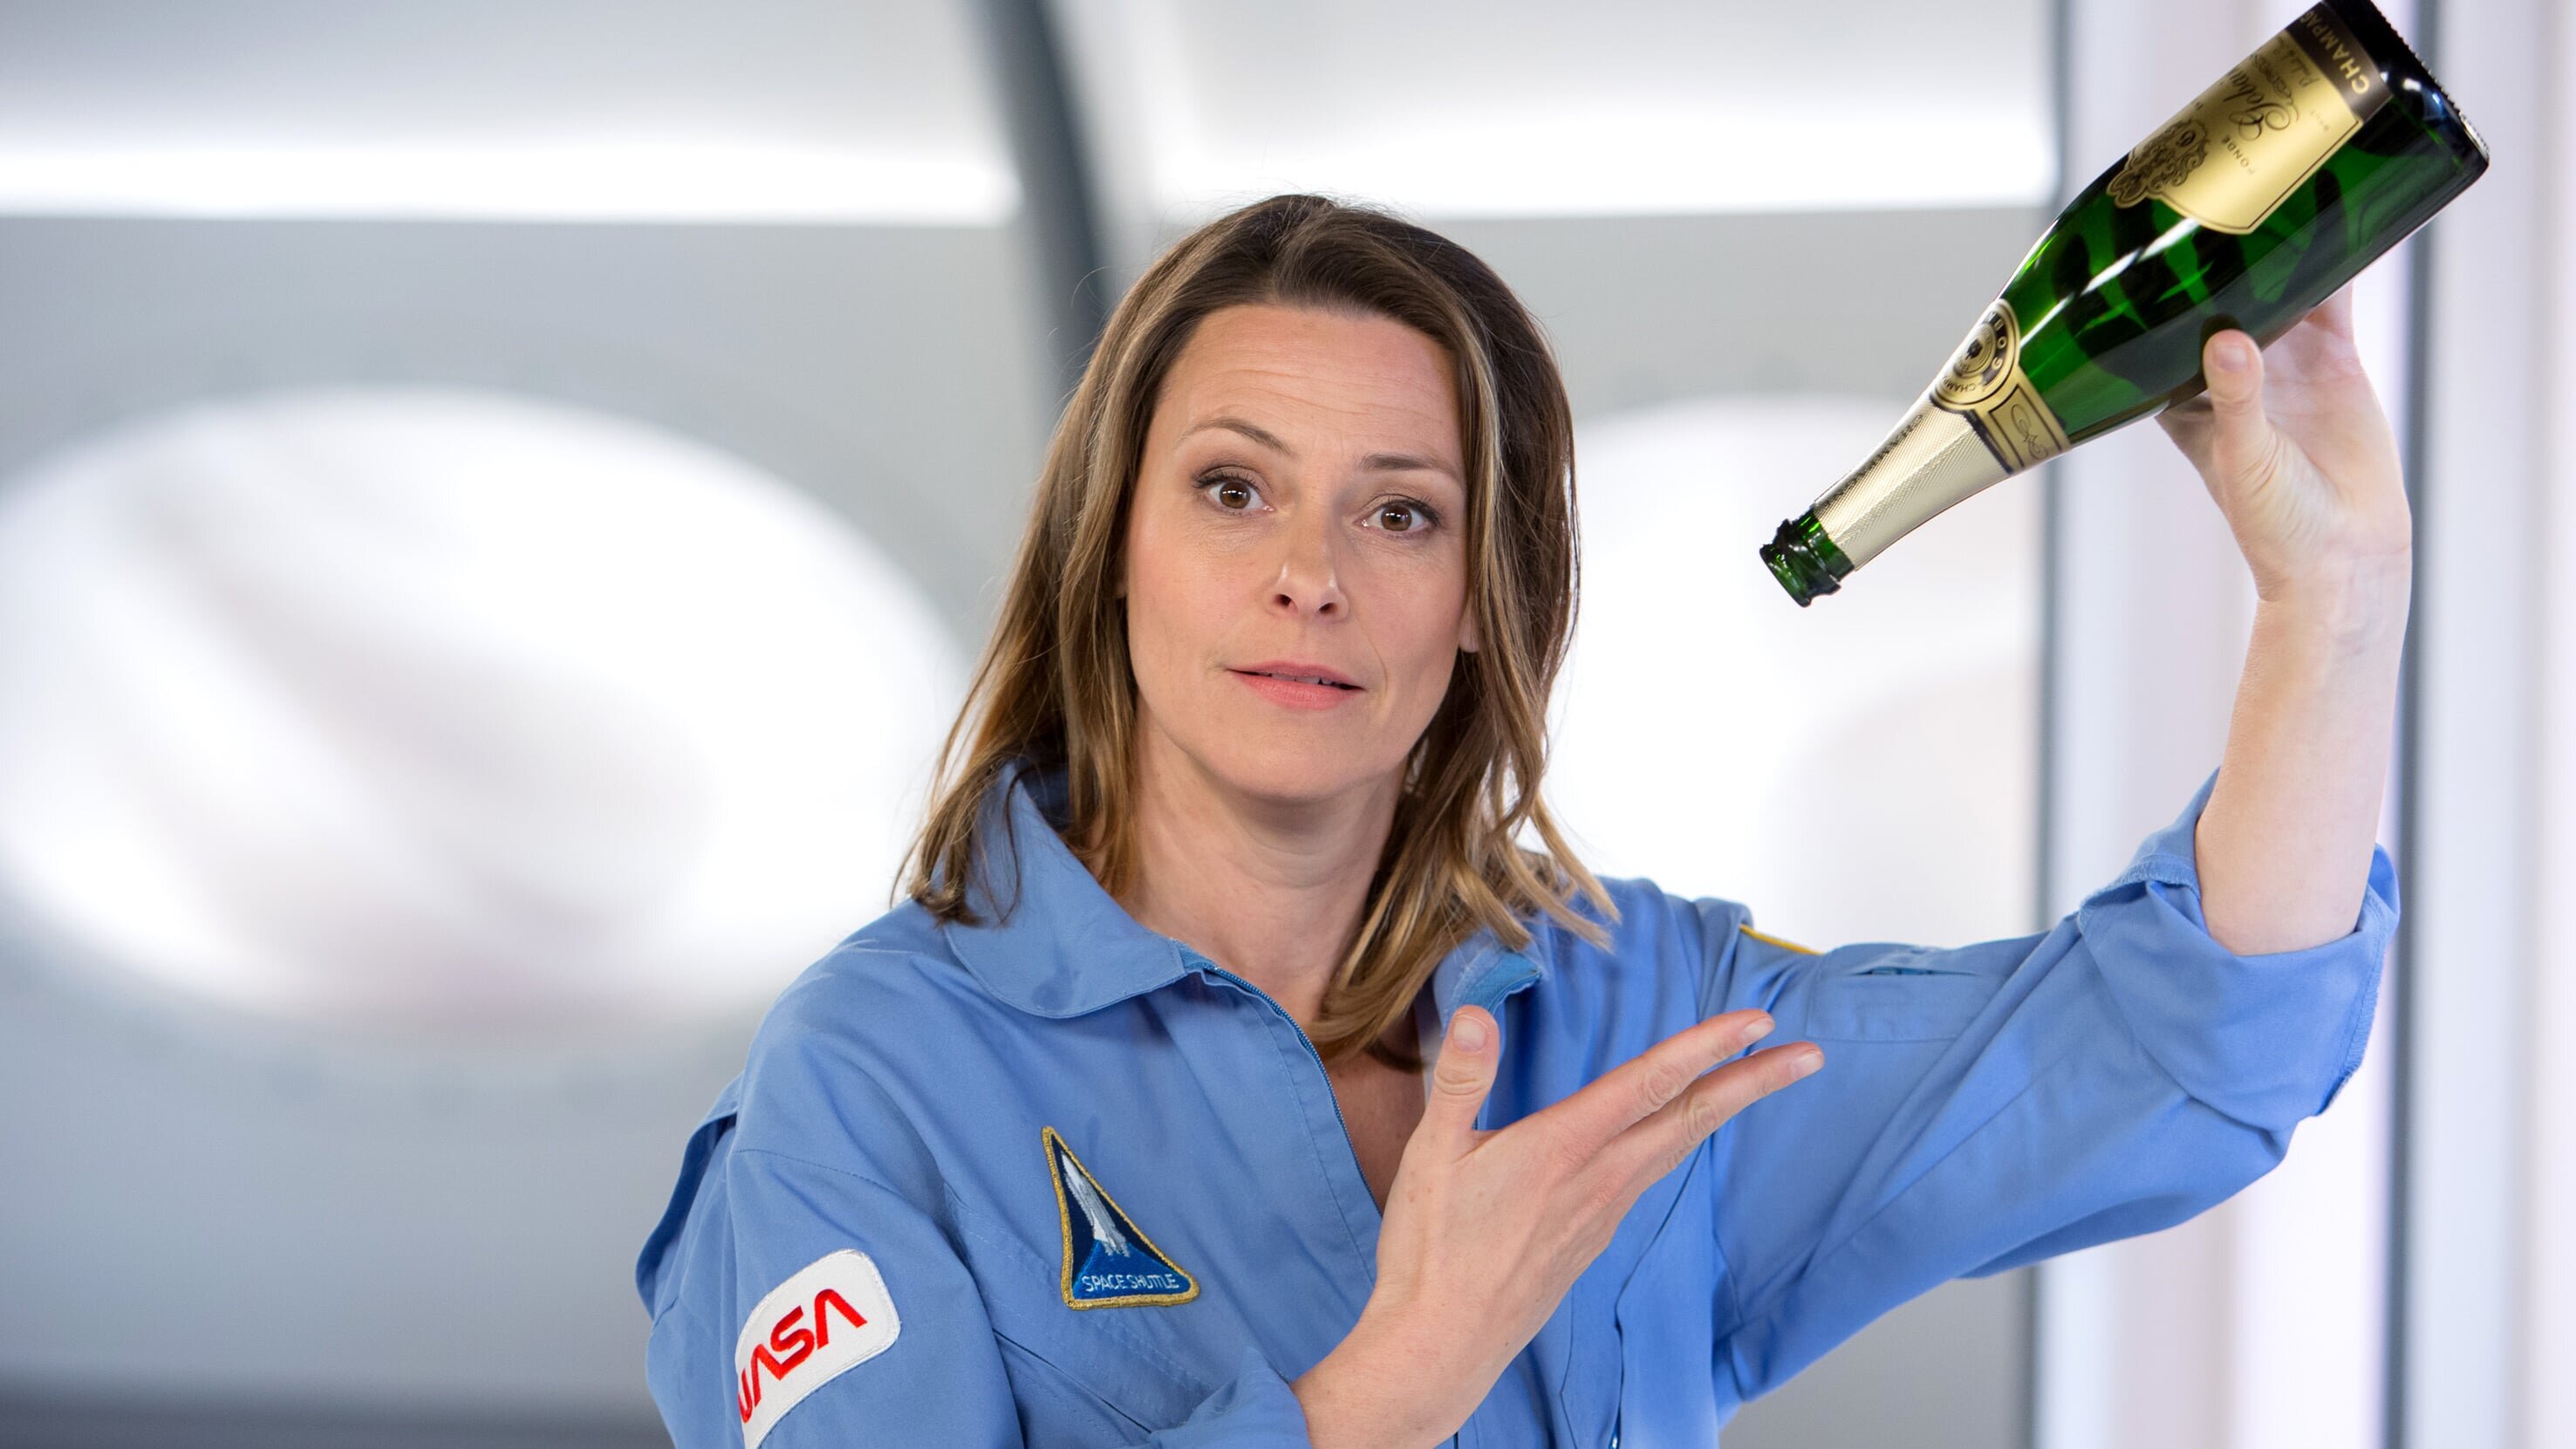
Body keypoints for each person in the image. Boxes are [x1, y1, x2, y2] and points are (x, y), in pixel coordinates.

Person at [633, 194, 2403, 1449]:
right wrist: (1388, 1386)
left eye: (1401, 513)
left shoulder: (1633, 1015)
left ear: (1487, 599)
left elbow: (2177, 1053)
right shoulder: (877, 1084)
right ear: (1111, 549)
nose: (1309, 575)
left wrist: (2330, 605)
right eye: (1232, 490)